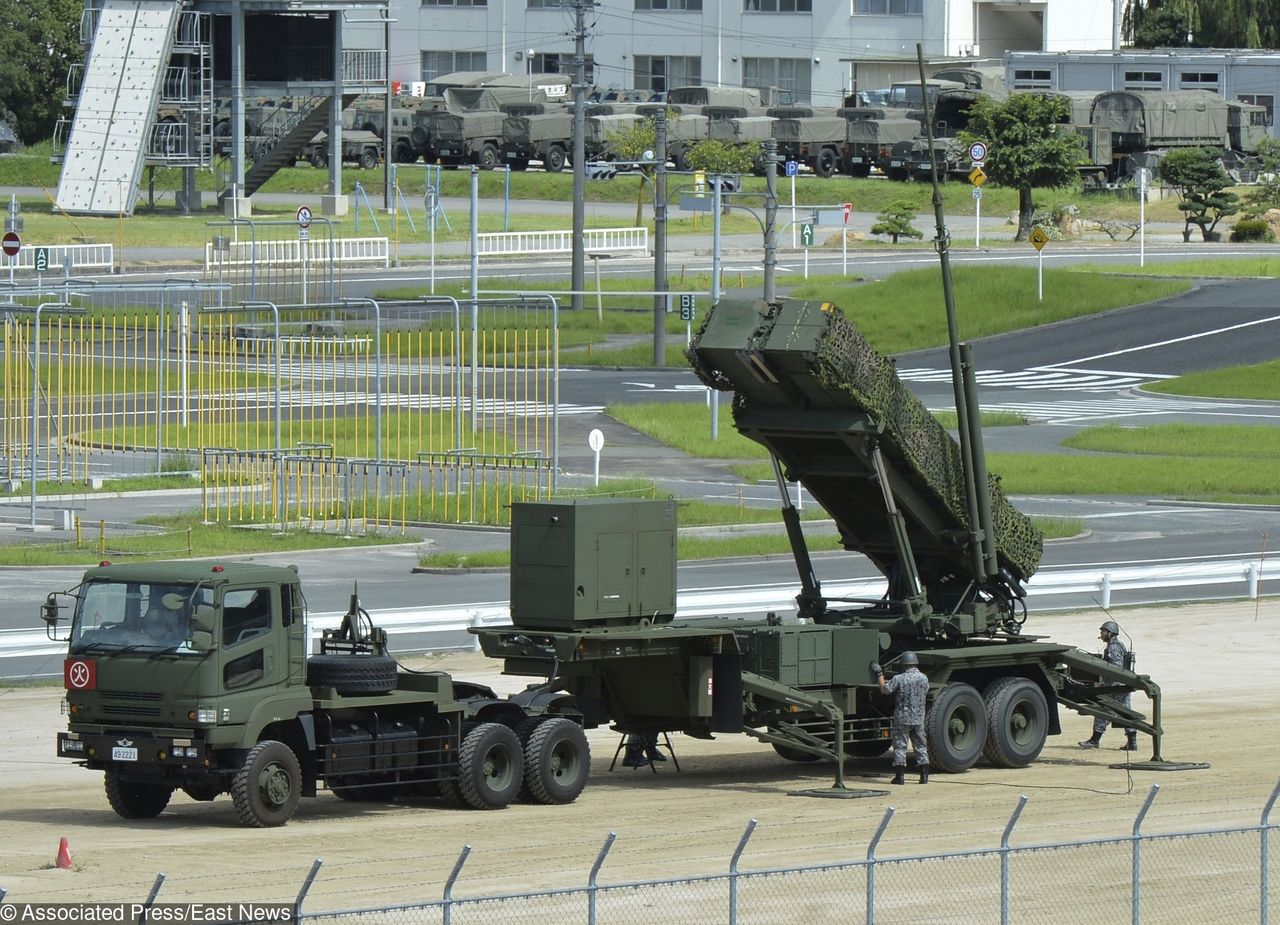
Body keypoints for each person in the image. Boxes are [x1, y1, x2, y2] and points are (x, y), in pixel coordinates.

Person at [1078, 619, 1139, 751]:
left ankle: (1095, 740)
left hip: (1115, 686)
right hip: (1123, 685)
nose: (1101, 633)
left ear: (1110, 633)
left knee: (1102, 710)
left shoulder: (1113, 647)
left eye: (1103, 631)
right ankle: (1132, 742)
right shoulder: (1120, 645)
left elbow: (1116, 668)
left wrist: (1105, 685)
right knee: (1126, 713)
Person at [871, 651, 929, 785]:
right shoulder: (924, 678)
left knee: (900, 746)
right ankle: (924, 776)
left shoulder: (899, 678)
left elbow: (885, 690)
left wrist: (879, 673)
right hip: (918, 718)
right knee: (920, 746)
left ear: (903, 665)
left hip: (902, 718)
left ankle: (900, 777)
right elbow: (925, 691)